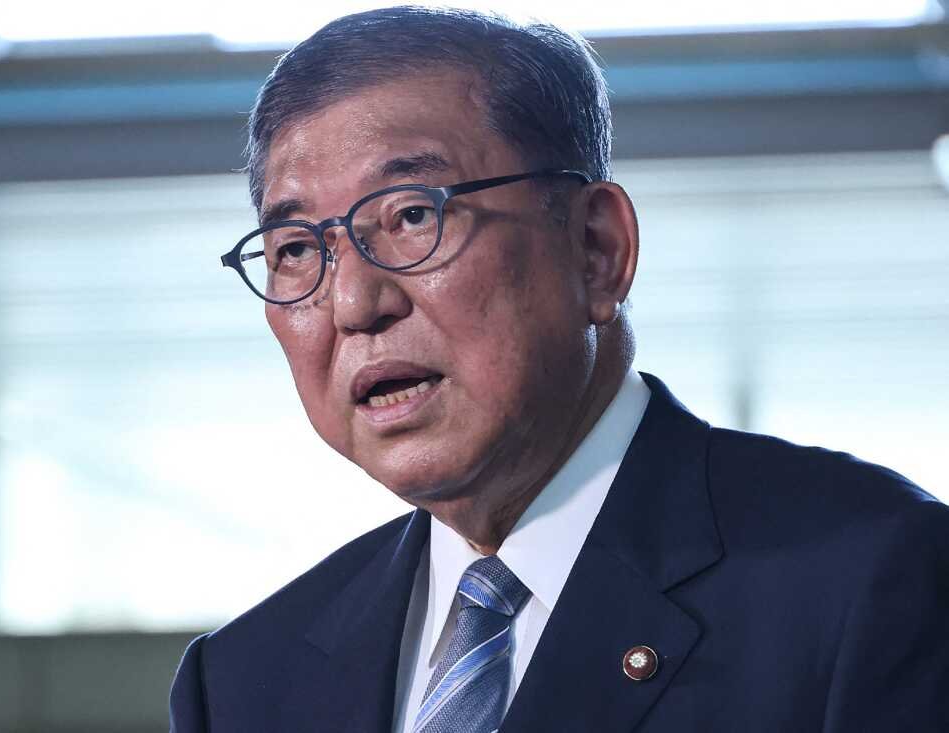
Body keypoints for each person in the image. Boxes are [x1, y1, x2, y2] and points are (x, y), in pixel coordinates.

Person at [170, 7, 949, 732]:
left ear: (596, 250)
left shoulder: (872, 579)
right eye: (297, 249)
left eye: (412, 215)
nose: (353, 302)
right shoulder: (243, 682)